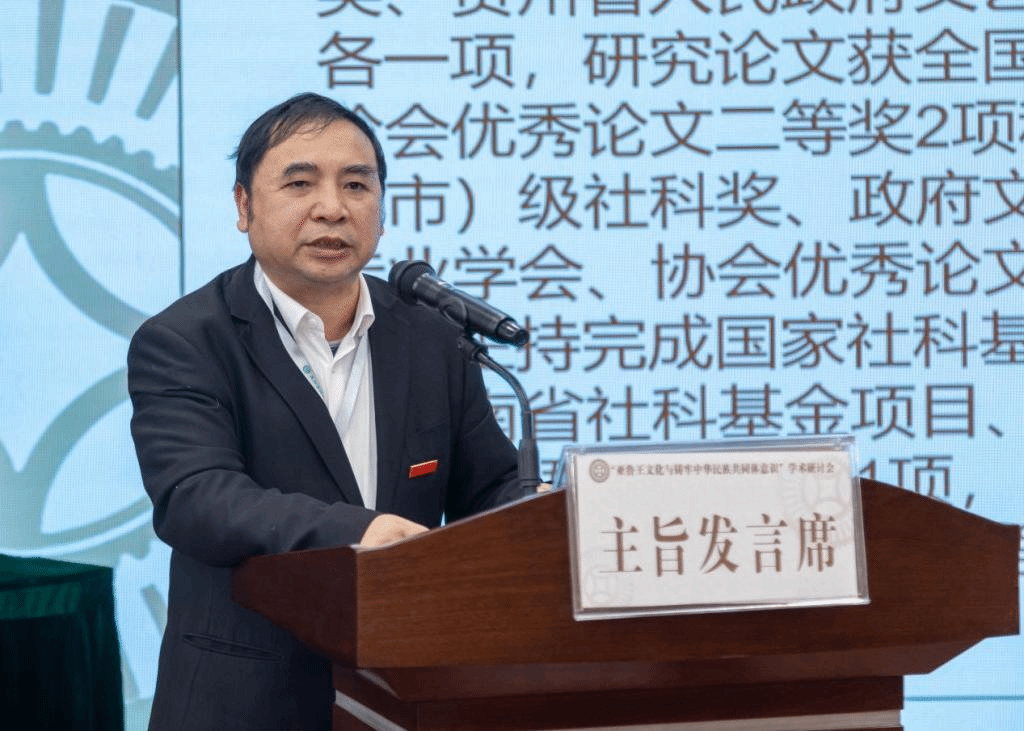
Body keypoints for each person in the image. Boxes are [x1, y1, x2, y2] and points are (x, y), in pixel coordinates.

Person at [127, 92, 533, 731]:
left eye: (356, 185)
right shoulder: (186, 340)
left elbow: (487, 487)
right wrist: (360, 532)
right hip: (246, 700)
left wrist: (538, 513)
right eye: (300, 183)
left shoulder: (431, 335)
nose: (332, 208)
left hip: (407, 691)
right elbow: (197, 498)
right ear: (243, 206)